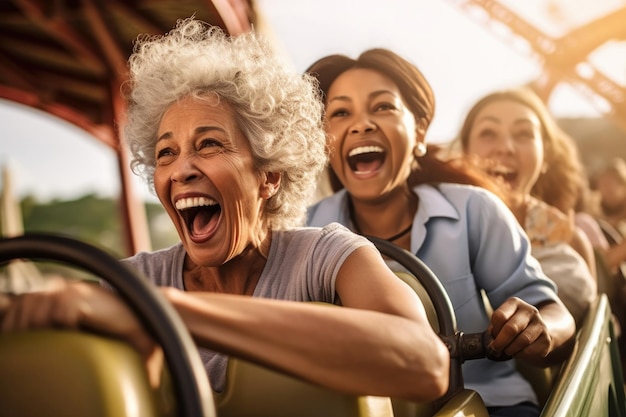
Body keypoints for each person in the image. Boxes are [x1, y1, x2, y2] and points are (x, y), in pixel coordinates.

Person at [0, 19, 451, 403]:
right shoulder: (133, 280)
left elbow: (426, 364)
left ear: (269, 176)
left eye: (209, 144)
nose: (181, 171)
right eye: (165, 154)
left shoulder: (326, 255)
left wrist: (166, 313)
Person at [305, 49, 576, 417]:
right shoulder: (303, 229)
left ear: (418, 132)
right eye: (340, 113)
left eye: (382, 107)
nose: (361, 124)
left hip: (488, 404)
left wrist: (539, 327)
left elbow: (551, 311)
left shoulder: (474, 209)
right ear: (324, 141)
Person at [454, 87, 597, 328]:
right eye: (488, 133)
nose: (506, 147)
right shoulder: (437, 231)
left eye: (523, 134)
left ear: (546, 156)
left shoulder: (570, 240)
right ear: (466, 152)